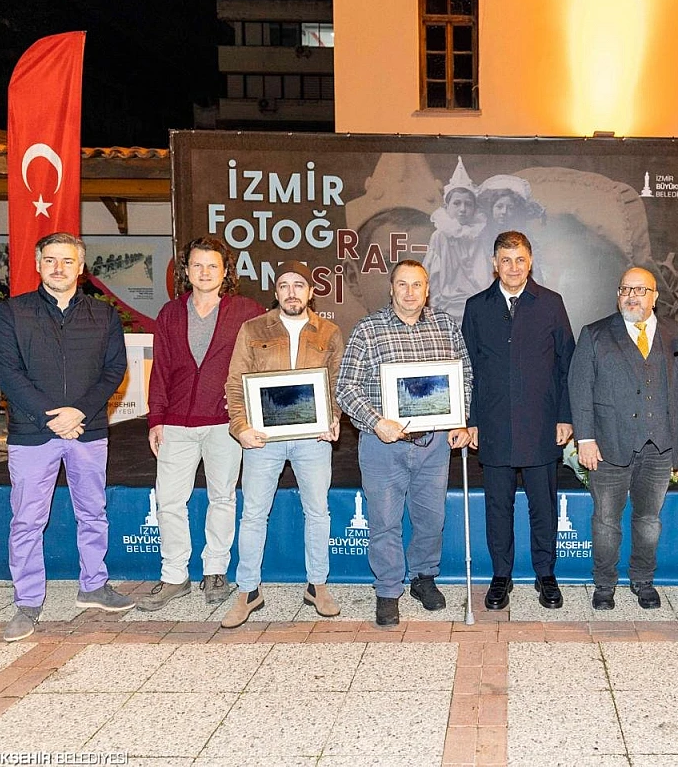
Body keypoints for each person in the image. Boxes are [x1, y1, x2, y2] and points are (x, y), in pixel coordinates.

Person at [0, 232, 132, 642]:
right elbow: (7, 373)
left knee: (93, 511)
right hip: (33, 433)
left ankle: (94, 585)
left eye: (67, 261)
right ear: (37, 264)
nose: (58, 268)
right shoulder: (12, 313)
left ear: (81, 267)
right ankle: (27, 602)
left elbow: (113, 371)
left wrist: (80, 412)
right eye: (50, 260)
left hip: (88, 431)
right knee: (28, 520)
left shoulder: (104, 316)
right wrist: (50, 417)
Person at [336, 260, 472, 626]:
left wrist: (460, 418)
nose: (410, 292)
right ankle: (387, 590)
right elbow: (345, 387)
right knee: (384, 521)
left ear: (427, 290)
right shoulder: (368, 329)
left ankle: (424, 579)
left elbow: (465, 376)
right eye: (402, 284)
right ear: (391, 288)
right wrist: (376, 422)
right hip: (383, 444)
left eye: (417, 285)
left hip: (435, 445)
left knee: (431, 518)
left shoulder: (446, 327)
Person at [135, 237, 264, 612]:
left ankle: (215, 571)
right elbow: (159, 371)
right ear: (185, 271)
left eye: (212, 266)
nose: (204, 272)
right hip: (176, 421)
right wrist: (155, 418)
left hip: (226, 423)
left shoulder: (247, 311)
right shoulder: (169, 314)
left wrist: (249, 407)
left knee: (222, 497)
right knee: (170, 501)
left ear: (226, 272)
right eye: (197, 266)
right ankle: (175, 575)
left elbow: (263, 364)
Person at [219, 261, 345, 628]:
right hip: (263, 438)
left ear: (310, 292)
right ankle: (248, 590)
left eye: (299, 285)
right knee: (253, 514)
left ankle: (317, 585)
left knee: (318, 513)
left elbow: (336, 383)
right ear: (276, 292)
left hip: (312, 438)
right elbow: (235, 382)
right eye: (284, 285)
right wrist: (240, 427)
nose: (292, 292)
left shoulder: (330, 332)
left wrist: (332, 417)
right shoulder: (253, 329)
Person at [568, 267, 678, 611]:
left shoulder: (677, 333)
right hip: (608, 446)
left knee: (648, 521)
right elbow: (579, 389)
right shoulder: (595, 334)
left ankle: (643, 580)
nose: (632, 295)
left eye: (640, 290)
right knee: (606, 521)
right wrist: (585, 439)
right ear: (618, 294)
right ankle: (604, 585)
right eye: (626, 288)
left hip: (660, 446)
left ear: (655, 297)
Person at [462, 231, 575, 611]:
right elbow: (469, 369)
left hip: (542, 425)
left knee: (543, 506)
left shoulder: (551, 304)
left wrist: (565, 416)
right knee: (498, 507)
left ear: (530, 262)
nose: (513, 267)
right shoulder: (477, 307)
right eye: (506, 260)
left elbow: (566, 366)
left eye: (520, 259)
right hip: (493, 427)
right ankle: (500, 576)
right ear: (494, 264)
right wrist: (472, 419)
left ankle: (546, 574)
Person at [424, 157, 492, 324]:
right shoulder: (440, 236)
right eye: (457, 204)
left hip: (475, 306)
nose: (463, 209)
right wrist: (434, 309)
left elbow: (485, 274)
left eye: (468, 204)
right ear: (447, 208)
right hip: (447, 307)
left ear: (474, 209)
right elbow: (432, 275)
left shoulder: (479, 236)